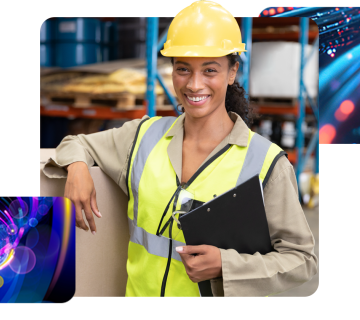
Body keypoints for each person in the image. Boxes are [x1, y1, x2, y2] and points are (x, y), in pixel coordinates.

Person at [43, 1, 318, 297]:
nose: (194, 84)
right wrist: (77, 168)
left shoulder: (266, 163)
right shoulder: (143, 137)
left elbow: (302, 260)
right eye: (183, 69)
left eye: (210, 70)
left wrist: (227, 265)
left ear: (232, 72)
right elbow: (77, 143)